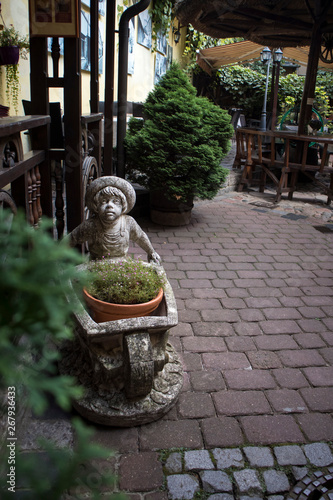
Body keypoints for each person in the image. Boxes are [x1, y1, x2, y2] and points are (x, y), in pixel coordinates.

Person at [69, 176, 161, 264]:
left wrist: (151, 252)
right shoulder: (91, 225)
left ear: (123, 206)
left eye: (115, 201)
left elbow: (140, 237)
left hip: (121, 265)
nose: (109, 205)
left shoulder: (128, 222)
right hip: (96, 265)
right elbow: (72, 238)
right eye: (104, 201)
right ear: (96, 206)